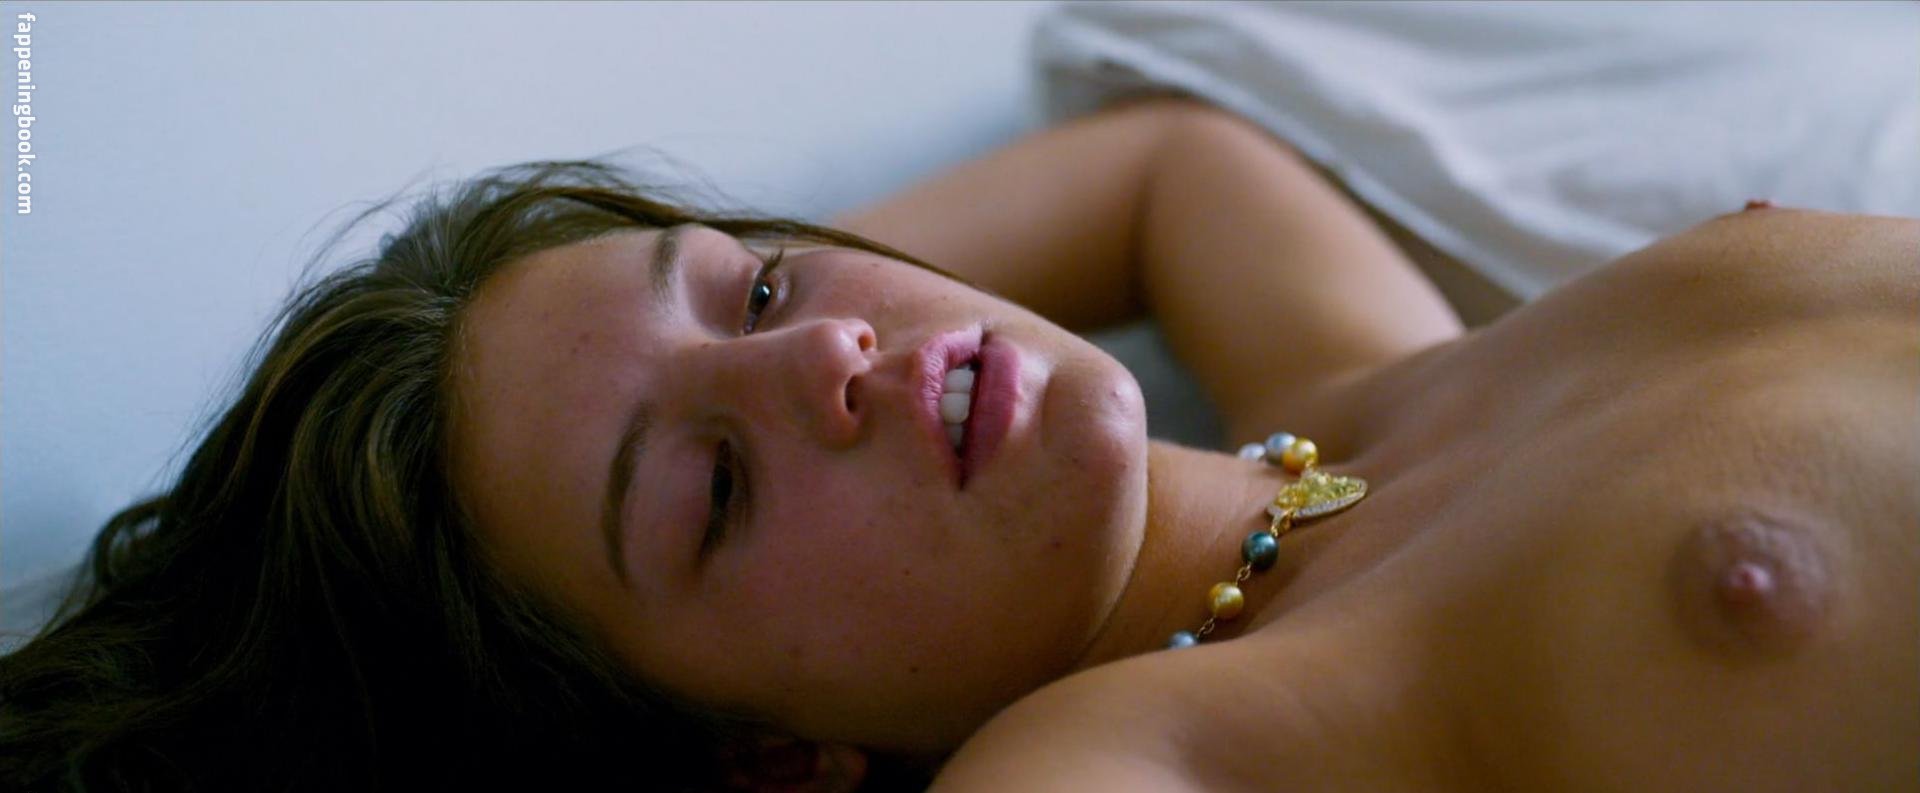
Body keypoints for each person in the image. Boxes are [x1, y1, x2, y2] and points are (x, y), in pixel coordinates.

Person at [2, 96, 1913, 792]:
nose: (835, 348)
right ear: (774, 758)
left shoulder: (1367, 402)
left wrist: (768, 378)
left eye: (753, 283)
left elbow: (1166, 160)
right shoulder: (1141, 754)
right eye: (715, 489)